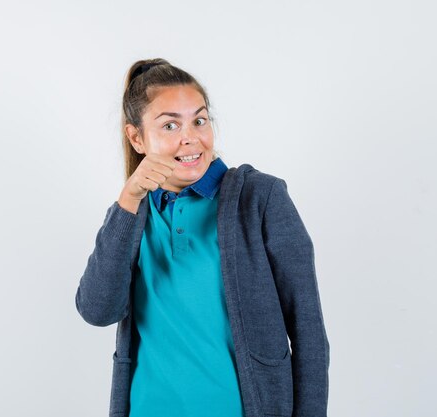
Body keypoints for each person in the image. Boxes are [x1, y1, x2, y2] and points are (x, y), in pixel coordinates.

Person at [75, 58, 330, 417]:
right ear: (137, 138)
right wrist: (129, 199)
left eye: (199, 120)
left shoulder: (260, 199)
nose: (190, 137)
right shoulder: (130, 215)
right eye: (169, 125)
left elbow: (308, 331)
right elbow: (98, 311)